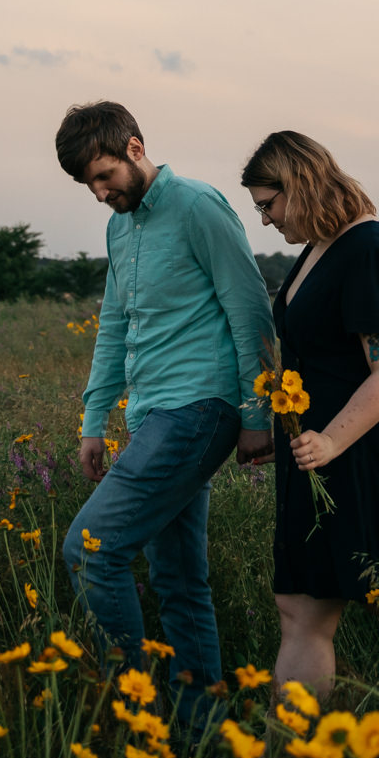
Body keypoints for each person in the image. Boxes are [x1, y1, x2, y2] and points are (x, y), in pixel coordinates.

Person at [56, 101, 275, 724]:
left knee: (91, 550)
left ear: (133, 147)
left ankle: (138, 714)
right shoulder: (119, 227)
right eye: (87, 185)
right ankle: (199, 735)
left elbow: (250, 310)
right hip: (152, 414)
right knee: (178, 578)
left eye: (103, 176)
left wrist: (256, 413)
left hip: (202, 407)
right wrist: (93, 420)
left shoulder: (198, 206)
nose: (99, 194)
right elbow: (115, 324)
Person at [241, 130, 379, 698]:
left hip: (361, 448)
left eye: (268, 204)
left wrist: (330, 441)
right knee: (305, 603)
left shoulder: (371, 249)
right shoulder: (321, 247)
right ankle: (296, 752)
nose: (265, 220)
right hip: (316, 449)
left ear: (299, 185)